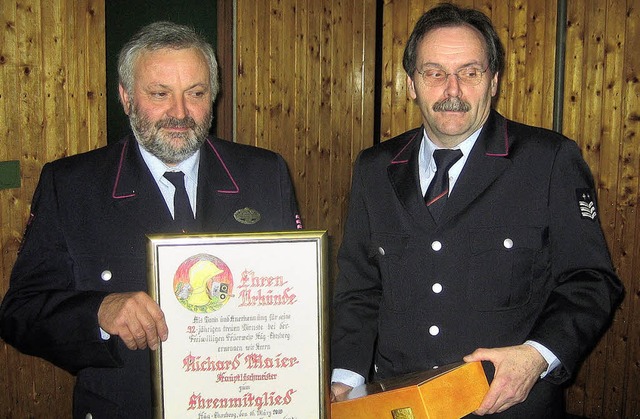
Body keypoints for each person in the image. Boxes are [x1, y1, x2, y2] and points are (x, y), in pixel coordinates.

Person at [330, 3, 623, 418]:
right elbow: (359, 289)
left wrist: (539, 355)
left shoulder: (549, 160)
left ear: (493, 81)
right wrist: (346, 375)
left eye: (470, 72)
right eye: (434, 73)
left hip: (506, 405)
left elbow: (590, 280)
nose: (452, 91)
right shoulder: (374, 168)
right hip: (398, 403)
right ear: (412, 84)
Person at [0, 21, 302, 418]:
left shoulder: (264, 174)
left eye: (195, 93)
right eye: (160, 94)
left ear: (213, 94)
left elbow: (297, 302)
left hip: (243, 405)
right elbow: (20, 312)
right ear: (125, 97)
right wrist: (98, 313)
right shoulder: (73, 186)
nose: (180, 112)